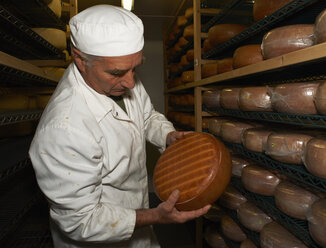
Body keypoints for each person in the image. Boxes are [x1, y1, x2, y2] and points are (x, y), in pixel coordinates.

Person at [29, 5, 210, 247]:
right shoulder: (64, 129)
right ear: (80, 59)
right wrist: (155, 216)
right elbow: (81, 220)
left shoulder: (120, 76)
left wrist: (168, 135)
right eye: (117, 73)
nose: (131, 83)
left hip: (139, 225)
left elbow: (146, 116)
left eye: (135, 68)